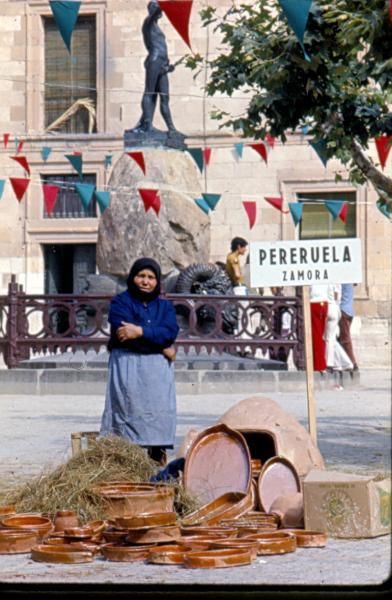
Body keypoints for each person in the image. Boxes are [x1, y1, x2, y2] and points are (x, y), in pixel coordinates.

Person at [100, 257, 179, 465]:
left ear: (158, 282)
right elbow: (123, 336)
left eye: (151, 277)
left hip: (156, 374)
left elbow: (170, 332)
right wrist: (161, 346)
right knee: (127, 417)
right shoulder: (121, 302)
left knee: (156, 423)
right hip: (128, 368)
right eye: (141, 276)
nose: (146, 281)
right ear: (133, 278)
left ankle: (157, 472)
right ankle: (126, 469)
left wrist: (140, 331)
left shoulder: (165, 307)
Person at [133, 0, 177, 133]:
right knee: (150, 92)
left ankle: (171, 128)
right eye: (157, 7)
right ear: (152, 9)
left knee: (164, 96)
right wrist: (165, 4)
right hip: (154, 60)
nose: (160, 11)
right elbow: (156, 12)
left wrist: (168, 66)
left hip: (162, 63)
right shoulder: (148, 22)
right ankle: (147, 124)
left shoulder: (155, 26)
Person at [324, 283, 353, 374]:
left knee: (330, 339)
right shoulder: (341, 282)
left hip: (334, 308)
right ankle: (345, 363)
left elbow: (336, 296)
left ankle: (331, 363)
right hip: (341, 309)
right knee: (333, 339)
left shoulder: (335, 281)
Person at [339, 283, 359, 371]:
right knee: (341, 339)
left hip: (343, 311)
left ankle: (352, 363)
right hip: (349, 311)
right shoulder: (349, 281)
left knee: (345, 339)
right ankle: (344, 362)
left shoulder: (343, 281)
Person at [309, 284, 329, 372]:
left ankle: (319, 365)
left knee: (316, 336)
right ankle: (319, 363)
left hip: (315, 302)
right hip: (324, 302)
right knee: (320, 335)